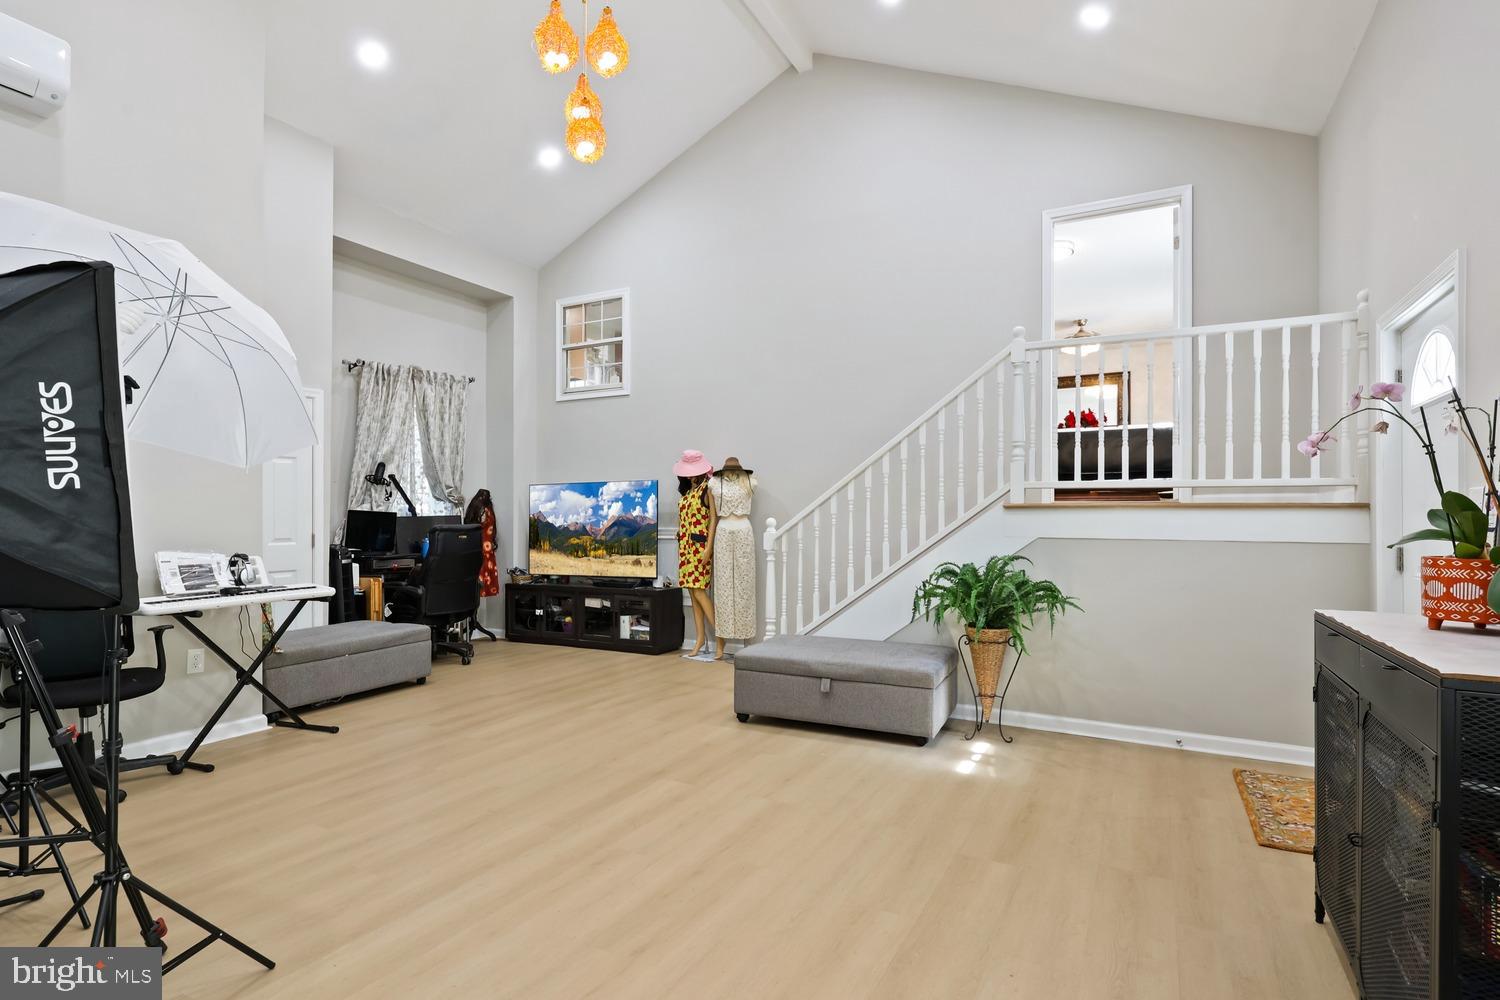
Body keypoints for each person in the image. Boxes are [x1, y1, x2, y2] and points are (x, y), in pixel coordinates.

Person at [708, 457, 757, 659]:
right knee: (723, 586)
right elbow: (713, 515)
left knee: (745, 586)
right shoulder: (713, 483)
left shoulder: (751, 481)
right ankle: (721, 643)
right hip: (724, 530)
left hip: (744, 529)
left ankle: (747, 640)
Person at [673, 450, 717, 659]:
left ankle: (721, 637)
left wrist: (708, 548)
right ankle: (700, 639)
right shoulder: (688, 492)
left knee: (700, 592)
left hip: (699, 548)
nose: (689, 475)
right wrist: (680, 532)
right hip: (685, 548)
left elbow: (713, 520)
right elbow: (688, 517)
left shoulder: (707, 489)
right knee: (692, 594)